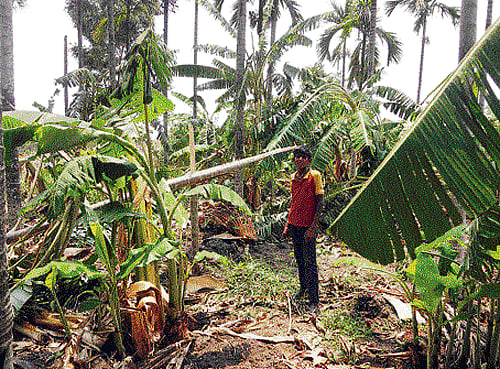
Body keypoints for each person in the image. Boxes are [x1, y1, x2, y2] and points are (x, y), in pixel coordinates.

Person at [282, 146, 324, 314]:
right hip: (295, 225)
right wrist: (287, 225)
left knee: (310, 263)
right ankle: (303, 289)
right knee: (299, 260)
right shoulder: (293, 177)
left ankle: (314, 300)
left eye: (303, 157)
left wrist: (313, 227)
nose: (299, 159)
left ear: (308, 160)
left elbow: (320, 203)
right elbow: (294, 202)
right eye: (297, 157)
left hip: (308, 226)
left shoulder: (314, 176)